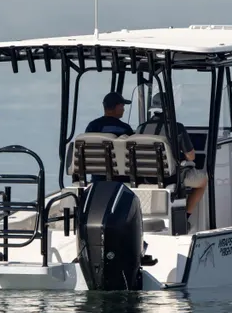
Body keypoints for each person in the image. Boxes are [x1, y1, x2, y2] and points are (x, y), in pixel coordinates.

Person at [137, 93, 208, 228]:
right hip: (171, 177)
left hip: (146, 177)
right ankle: (185, 218)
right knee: (203, 181)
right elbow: (191, 156)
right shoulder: (177, 127)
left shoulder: (141, 128)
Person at [82, 92, 134, 182]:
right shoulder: (124, 129)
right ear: (116, 107)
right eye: (122, 106)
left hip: (97, 178)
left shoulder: (92, 127)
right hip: (121, 180)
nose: (123, 109)